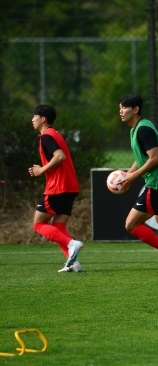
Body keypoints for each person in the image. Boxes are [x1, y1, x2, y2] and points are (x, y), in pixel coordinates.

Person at [118, 94, 158, 274]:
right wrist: (127, 175)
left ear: (135, 109)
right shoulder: (136, 128)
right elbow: (142, 158)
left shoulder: (143, 129)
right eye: (120, 108)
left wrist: (133, 176)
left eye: (124, 108)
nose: (121, 112)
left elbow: (155, 158)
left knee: (131, 224)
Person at [29, 105, 84, 272]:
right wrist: (44, 167)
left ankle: (71, 244)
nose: (32, 119)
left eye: (34, 116)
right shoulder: (56, 134)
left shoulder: (46, 136)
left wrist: (41, 170)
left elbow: (60, 156)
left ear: (43, 119)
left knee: (38, 224)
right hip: (70, 186)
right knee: (58, 225)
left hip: (58, 187)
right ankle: (73, 263)